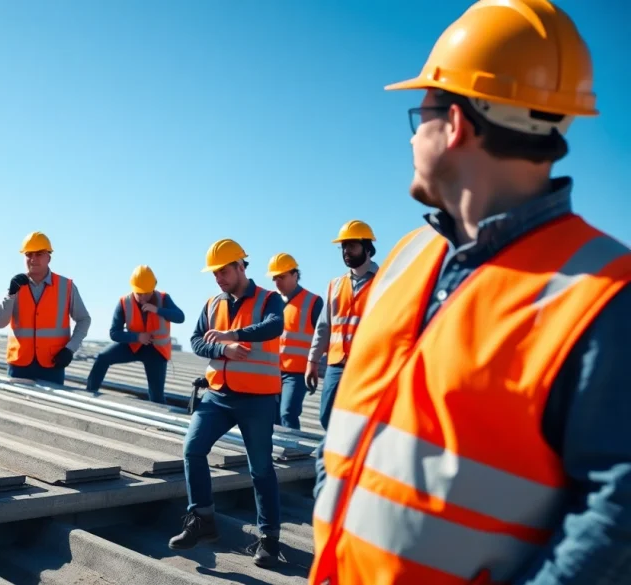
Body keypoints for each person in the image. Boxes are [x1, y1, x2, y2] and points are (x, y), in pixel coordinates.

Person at [309, 1, 631, 584]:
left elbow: (616, 519)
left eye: (420, 116)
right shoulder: (408, 259)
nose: (412, 141)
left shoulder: (604, 294)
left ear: (455, 125)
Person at [169, 238, 285, 569]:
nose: (218, 278)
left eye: (223, 271)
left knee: (260, 469)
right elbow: (195, 340)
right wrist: (222, 350)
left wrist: (234, 336)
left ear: (239, 266)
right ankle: (203, 519)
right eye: (214, 273)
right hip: (219, 395)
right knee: (192, 449)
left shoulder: (268, 299)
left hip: (258, 398)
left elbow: (274, 326)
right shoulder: (211, 304)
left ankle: (269, 539)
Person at [304, 220, 378, 430]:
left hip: (367, 365)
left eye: (351, 245)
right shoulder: (335, 285)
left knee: (364, 420)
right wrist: (312, 360)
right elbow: (324, 327)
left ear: (367, 247)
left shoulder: (384, 281)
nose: (346, 251)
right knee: (327, 416)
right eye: (343, 246)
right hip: (336, 364)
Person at [0, 231, 91, 385]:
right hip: (20, 364)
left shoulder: (66, 287)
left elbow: (84, 319)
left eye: (39, 254)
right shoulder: (16, 286)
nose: (33, 259)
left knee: (51, 408)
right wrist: (10, 295)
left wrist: (70, 349)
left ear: (48, 258)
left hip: (52, 364)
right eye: (29, 254)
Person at [85, 265, 186, 404]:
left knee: (156, 396)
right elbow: (114, 333)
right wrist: (137, 337)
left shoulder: (163, 298)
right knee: (102, 358)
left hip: (156, 351)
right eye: (139, 293)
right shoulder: (124, 302)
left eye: (147, 293)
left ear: (154, 287)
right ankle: (89, 394)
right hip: (132, 346)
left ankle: (158, 419)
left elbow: (180, 317)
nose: (143, 297)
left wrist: (157, 310)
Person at [266, 253, 323, 430]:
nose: (277, 282)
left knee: (288, 412)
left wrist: (316, 366)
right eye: (275, 278)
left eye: (281, 277)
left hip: (298, 372)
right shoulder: (271, 301)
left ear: (295, 275)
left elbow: (323, 336)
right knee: (272, 414)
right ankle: (274, 452)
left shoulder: (313, 302)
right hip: (273, 370)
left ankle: (292, 451)